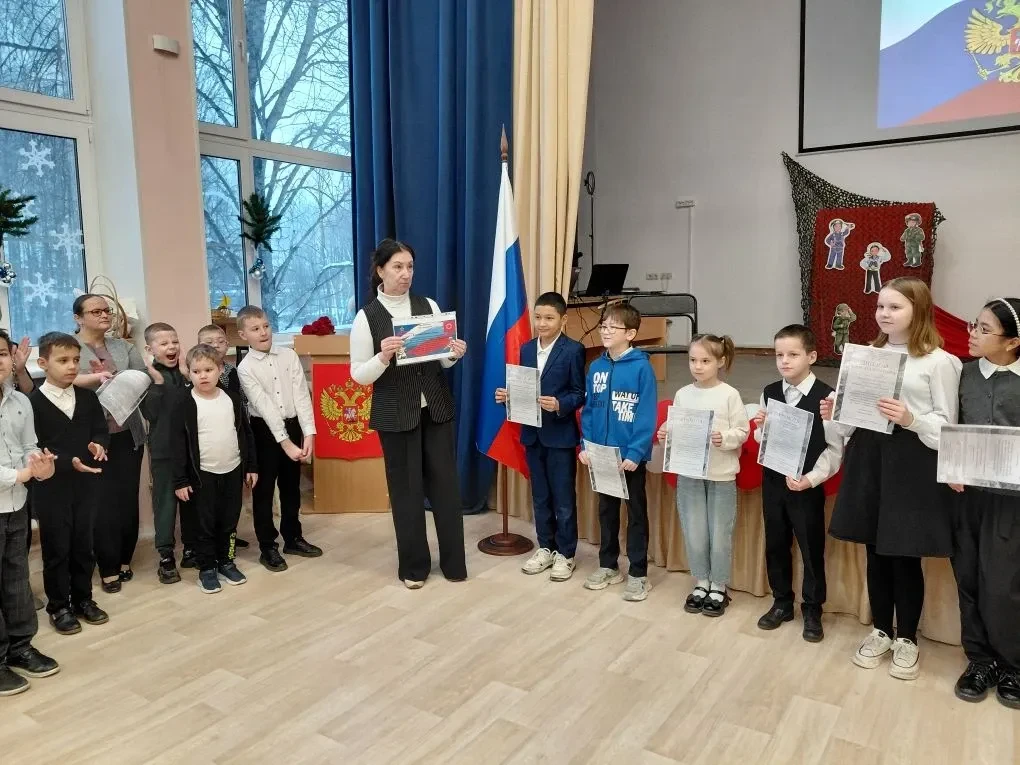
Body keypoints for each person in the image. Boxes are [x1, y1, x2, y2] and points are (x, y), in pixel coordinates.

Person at [824, 277, 961, 681]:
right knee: (876, 551)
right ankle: (881, 630)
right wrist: (836, 411)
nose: (884, 313)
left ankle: (907, 639)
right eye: (881, 306)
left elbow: (946, 425)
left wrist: (910, 417)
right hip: (869, 457)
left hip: (911, 461)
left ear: (919, 310)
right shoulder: (866, 355)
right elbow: (849, 423)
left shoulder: (939, 361)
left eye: (895, 307)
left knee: (905, 553)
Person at [349, 239, 468, 589]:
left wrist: (454, 353)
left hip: (435, 409)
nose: (406, 274)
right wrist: (382, 357)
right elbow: (358, 375)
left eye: (410, 267)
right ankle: (414, 568)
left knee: (446, 489)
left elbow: (441, 360)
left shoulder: (427, 305)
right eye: (398, 267)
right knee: (407, 492)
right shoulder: (366, 317)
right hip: (395, 414)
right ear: (380, 271)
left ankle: (454, 564)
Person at [950, 298, 1020, 709]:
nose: (973, 334)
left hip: (1011, 500)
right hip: (966, 495)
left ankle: (1012, 664)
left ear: (1012, 342)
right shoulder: (963, 374)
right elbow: (948, 423)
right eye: (974, 325)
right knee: (968, 577)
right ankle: (979, 661)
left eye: (984, 329)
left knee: (1005, 583)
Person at [753, 325, 843, 641]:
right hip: (773, 481)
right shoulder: (769, 392)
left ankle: (813, 609)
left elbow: (834, 449)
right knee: (776, 543)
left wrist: (810, 479)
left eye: (793, 354)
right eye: (779, 355)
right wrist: (762, 428)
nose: (785, 361)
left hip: (805, 486)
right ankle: (782, 602)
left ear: (812, 356)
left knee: (810, 547)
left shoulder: (826, 397)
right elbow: (762, 439)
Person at [494, 292, 585, 581]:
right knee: (541, 496)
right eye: (538, 317)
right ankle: (546, 547)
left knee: (563, 499)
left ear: (563, 319)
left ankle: (566, 553)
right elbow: (524, 388)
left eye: (549, 318)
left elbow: (579, 393)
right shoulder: (526, 349)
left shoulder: (573, 350)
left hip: (560, 436)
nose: (542, 323)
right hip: (532, 435)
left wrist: (560, 404)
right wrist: (509, 397)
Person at [658, 333, 747, 616]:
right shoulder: (683, 394)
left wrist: (726, 437)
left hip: (721, 474)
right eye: (693, 360)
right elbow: (676, 427)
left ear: (720, 361)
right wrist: (666, 433)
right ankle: (701, 581)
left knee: (720, 532)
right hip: (690, 472)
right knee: (694, 529)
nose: (698, 366)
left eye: (705, 361)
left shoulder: (729, 395)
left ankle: (719, 584)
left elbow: (742, 431)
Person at [30, 332, 110, 635]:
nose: (72, 366)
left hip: (86, 484)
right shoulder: (32, 403)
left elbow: (100, 430)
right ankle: (58, 606)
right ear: (43, 363)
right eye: (63, 360)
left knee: (83, 545)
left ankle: (83, 599)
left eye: (76, 360)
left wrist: (99, 445)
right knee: (57, 548)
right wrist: (66, 462)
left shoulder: (88, 398)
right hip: (51, 488)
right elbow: (34, 446)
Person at [580, 302, 657, 602]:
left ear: (631, 334)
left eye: (614, 327)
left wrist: (636, 452)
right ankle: (608, 565)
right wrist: (586, 446)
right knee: (606, 512)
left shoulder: (641, 368)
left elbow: (646, 414)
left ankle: (638, 573)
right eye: (604, 326)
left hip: (629, 459)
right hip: (602, 456)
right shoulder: (596, 367)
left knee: (635, 515)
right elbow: (589, 411)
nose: (606, 331)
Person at [236, 306, 322, 572]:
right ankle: (268, 546)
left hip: (293, 425)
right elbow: (265, 407)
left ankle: (293, 537)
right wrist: (286, 444)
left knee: (291, 486)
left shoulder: (289, 355)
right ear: (243, 335)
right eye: (255, 329)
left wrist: (309, 433)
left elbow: (301, 395)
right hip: (264, 431)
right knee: (263, 491)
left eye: (266, 326)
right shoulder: (245, 368)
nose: (263, 332)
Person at [72, 294, 146, 593]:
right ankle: (108, 566)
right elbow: (61, 382)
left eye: (107, 310)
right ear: (78, 317)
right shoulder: (68, 347)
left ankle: (125, 557)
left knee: (127, 499)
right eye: (96, 311)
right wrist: (93, 380)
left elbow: (142, 379)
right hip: (91, 438)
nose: (105, 315)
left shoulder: (124, 347)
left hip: (128, 433)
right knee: (102, 504)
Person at [0, 330, 60, 697]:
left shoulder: (20, 400)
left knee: (16, 579)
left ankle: (20, 647)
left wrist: (40, 465)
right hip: (7, 492)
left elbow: (28, 446)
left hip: (16, 505)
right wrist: (20, 475)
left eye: (1, 353)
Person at [170, 345, 257, 594]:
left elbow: (245, 433)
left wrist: (251, 465)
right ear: (189, 373)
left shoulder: (232, 398)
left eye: (208, 370)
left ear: (220, 369)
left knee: (229, 521)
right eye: (196, 371)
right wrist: (180, 480)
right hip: (202, 475)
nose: (203, 376)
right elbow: (177, 444)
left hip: (233, 470)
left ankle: (226, 562)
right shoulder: (184, 403)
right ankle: (207, 568)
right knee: (204, 524)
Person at [139, 322, 193, 584]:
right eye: (164, 343)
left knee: (192, 500)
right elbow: (150, 414)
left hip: (191, 449)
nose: (171, 347)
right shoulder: (147, 377)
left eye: (175, 341)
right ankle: (166, 556)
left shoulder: (186, 373)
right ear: (150, 349)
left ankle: (192, 547)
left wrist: (187, 377)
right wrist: (158, 383)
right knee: (166, 504)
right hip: (165, 452)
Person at [196, 324, 250, 549]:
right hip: (207, 451)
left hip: (231, 441)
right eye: (209, 342)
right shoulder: (197, 376)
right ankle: (209, 546)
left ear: (227, 345)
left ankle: (228, 539)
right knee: (209, 503)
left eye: (220, 342)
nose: (216, 346)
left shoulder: (233, 372)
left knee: (231, 500)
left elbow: (241, 402)